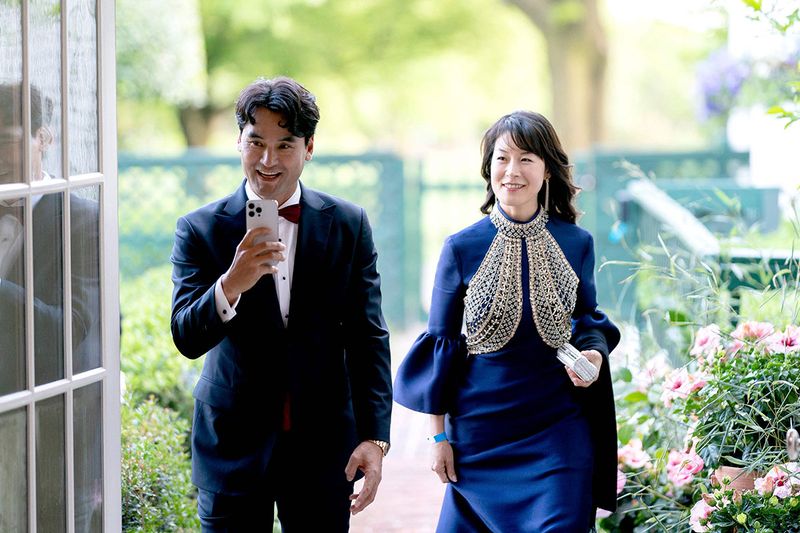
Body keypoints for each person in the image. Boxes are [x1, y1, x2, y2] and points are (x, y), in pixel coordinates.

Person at [170, 76, 392, 532]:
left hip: (323, 446)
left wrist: (374, 437)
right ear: (238, 142)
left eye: (285, 145)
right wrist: (231, 284)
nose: (268, 161)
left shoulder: (348, 224)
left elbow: (367, 335)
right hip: (232, 446)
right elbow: (186, 337)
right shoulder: (198, 229)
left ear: (309, 148)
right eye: (256, 143)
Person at [394, 111, 620, 532]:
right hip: (480, 434)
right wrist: (438, 437)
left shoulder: (577, 243)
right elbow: (440, 346)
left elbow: (588, 319)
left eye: (527, 159)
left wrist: (593, 351)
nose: (512, 171)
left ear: (548, 169)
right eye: (502, 159)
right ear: (489, 168)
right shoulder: (460, 248)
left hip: (558, 428)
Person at [0, 82, 102, 532]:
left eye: (6, 139)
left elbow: (69, 330)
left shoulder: (83, 220)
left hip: (52, 448)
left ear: (46, 138)